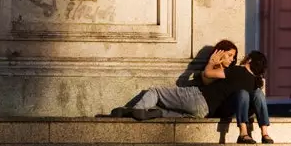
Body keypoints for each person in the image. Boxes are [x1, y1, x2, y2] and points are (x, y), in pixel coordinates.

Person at [111, 51, 267, 124]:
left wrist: (212, 61)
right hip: (205, 113)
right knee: (168, 112)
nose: (234, 59)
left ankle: (138, 109)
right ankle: (155, 113)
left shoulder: (236, 70)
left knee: (155, 92)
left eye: (236, 56)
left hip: (198, 98)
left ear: (250, 60)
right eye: (230, 55)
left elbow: (207, 73)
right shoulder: (255, 84)